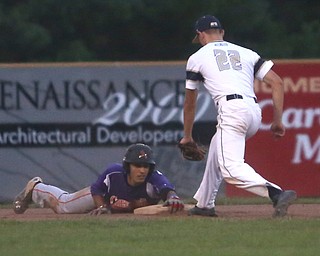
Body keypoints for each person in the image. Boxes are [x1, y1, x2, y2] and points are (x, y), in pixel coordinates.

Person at [179, 15, 296, 217]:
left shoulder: (197, 57)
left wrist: (187, 135)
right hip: (253, 112)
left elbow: (190, 103)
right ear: (222, 33)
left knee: (230, 168)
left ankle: (276, 194)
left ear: (200, 35)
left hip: (231, 109)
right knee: (217, 148)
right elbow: (277, 83)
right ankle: (205, 205)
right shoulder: (247, 53)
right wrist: (277, 121)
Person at [13, 143, 184, 215]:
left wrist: (173, 198)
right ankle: (36, 187)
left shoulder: (153, 178)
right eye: (137, 165)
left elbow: (168, 191)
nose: (142, 170)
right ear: (127, 166)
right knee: (64, 205)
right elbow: (96, 189)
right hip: (104, 195)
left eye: (146, 166)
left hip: (116, 203)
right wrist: (102, 206)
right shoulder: (114, 173)